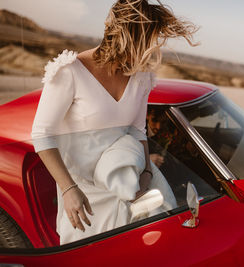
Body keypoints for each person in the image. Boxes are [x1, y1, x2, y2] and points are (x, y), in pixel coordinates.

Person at [31, 0, 197, 245]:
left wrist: (148, 174)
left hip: (132, 178)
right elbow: (42, 134)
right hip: (85, 192)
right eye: (145, 42)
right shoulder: (70, 71)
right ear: (125, 37)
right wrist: (68, 189)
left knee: (152, 245)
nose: (149, 51)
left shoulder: (142, 76)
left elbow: (138, 130)